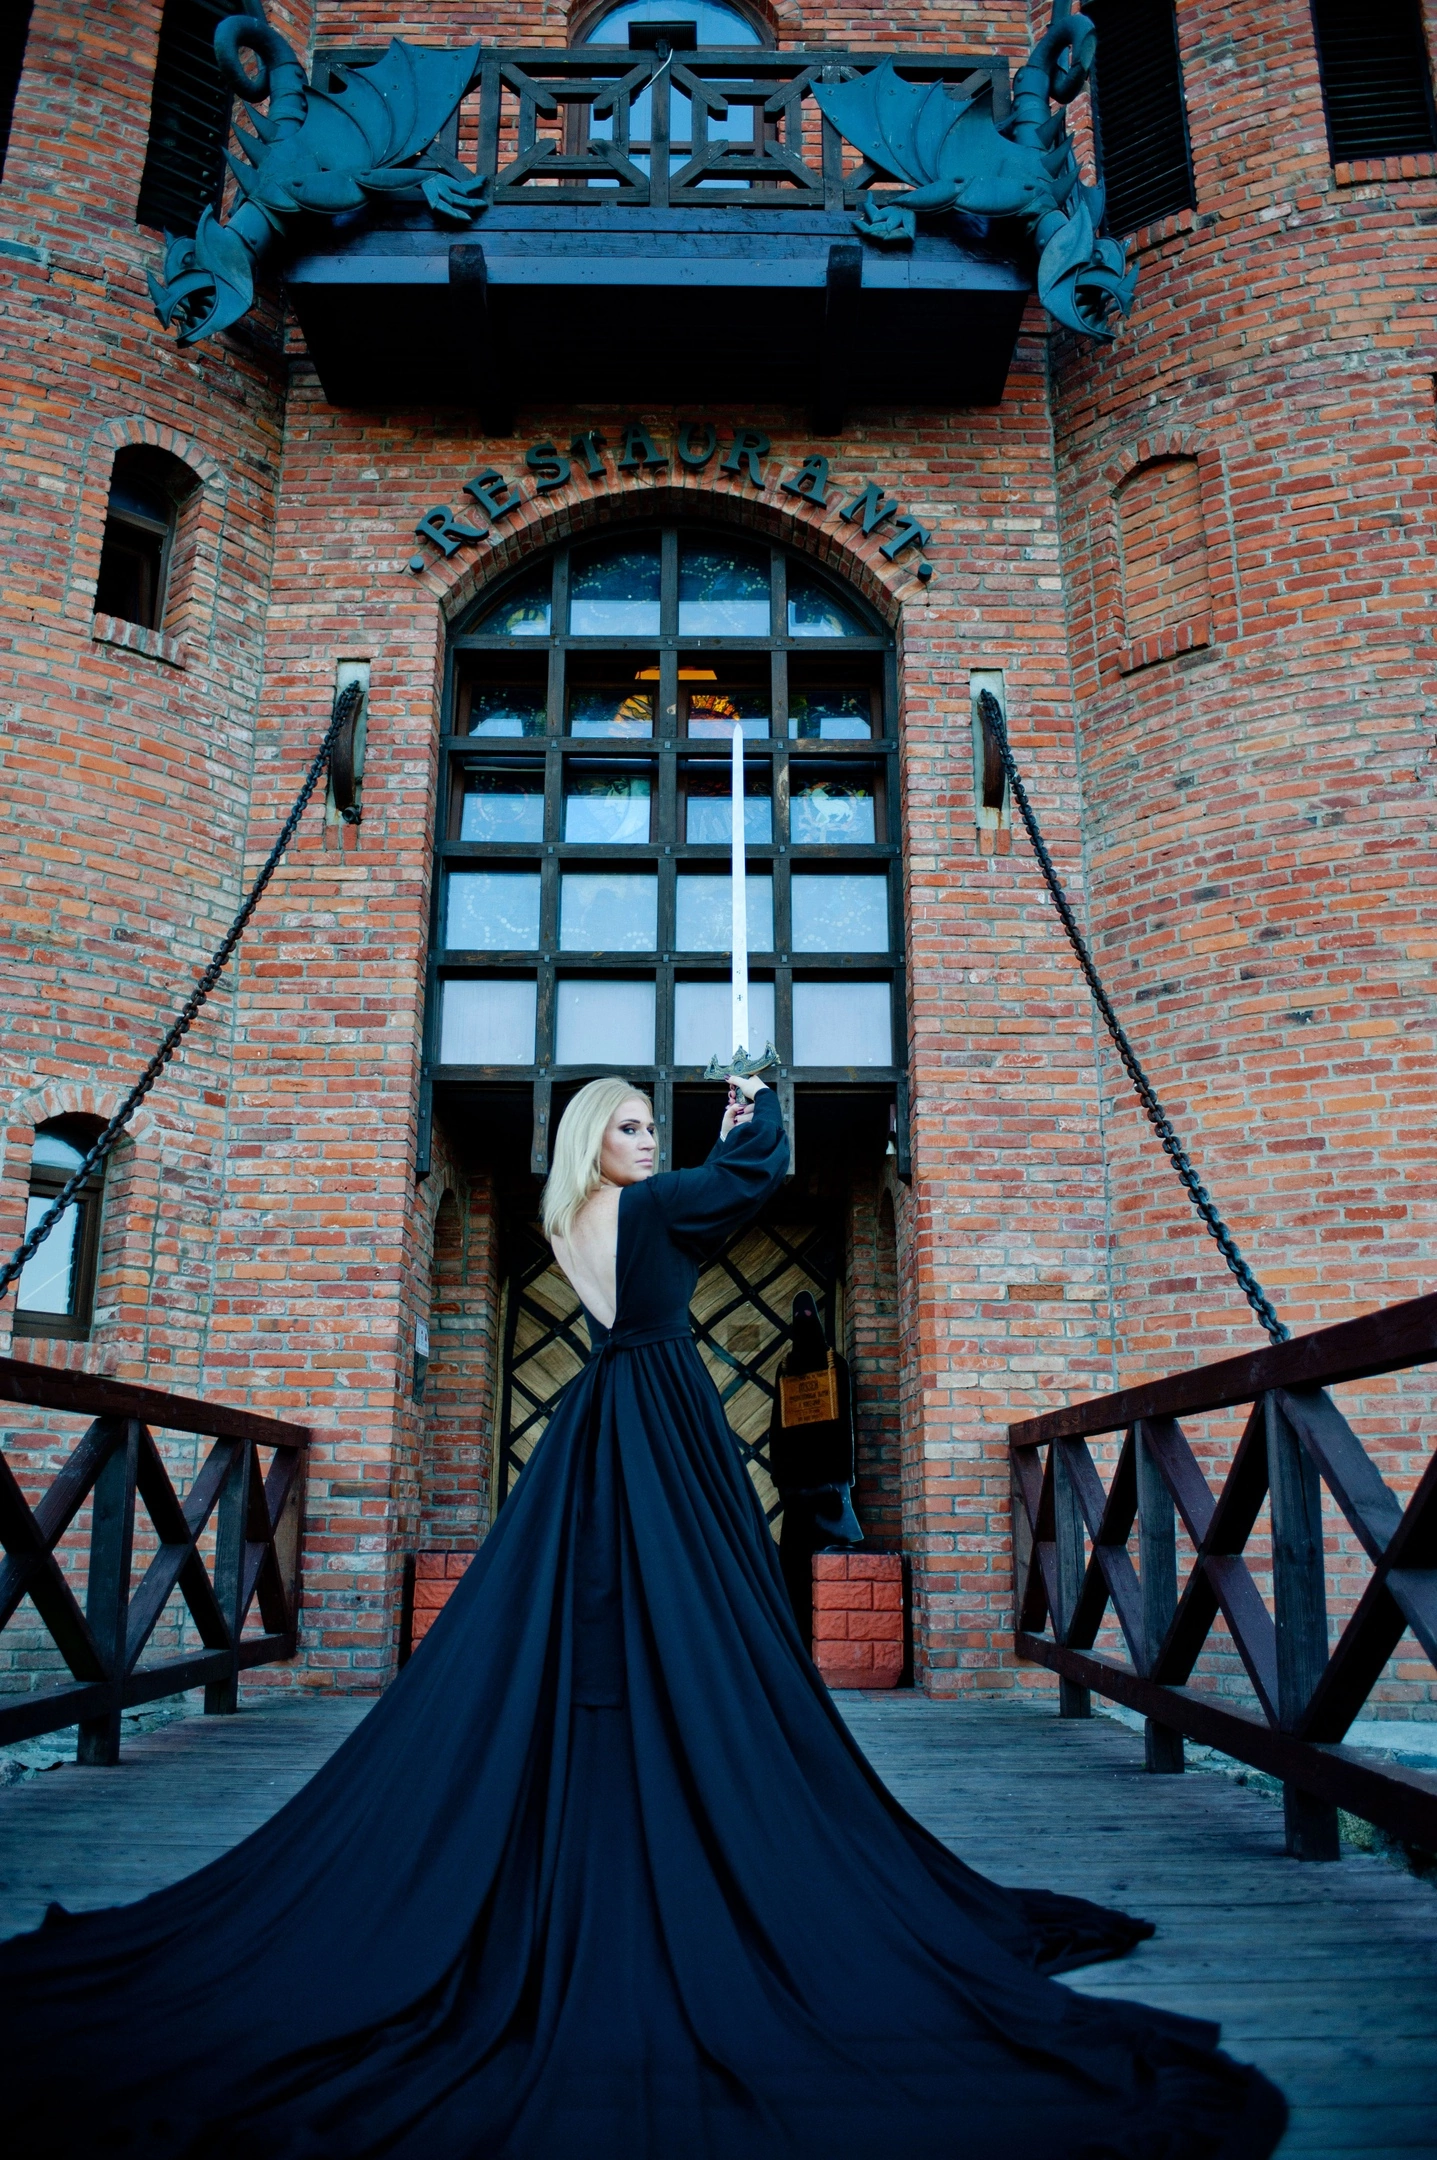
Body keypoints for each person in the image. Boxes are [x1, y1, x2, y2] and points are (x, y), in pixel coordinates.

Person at [0, 1075, 1286, 2159]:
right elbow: (751, 1179)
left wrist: (719, 1139)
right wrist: (755, 1105)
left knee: (600, 1601)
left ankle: (622, 1758)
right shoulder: (654, 1206)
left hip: (599, 1416)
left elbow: (703, 1203)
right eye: (627, 1126)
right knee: (693, 1600)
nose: (644, 1141)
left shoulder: (570, 1225)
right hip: (663, 1413)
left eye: (647, 1129)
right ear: (591, 1141)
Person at [769, 1288, 865, 1647]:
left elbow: (846, 1425)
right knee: (796, 1567)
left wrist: (843, 1477)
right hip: (799, 1487)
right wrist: (781, 1475)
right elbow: (777, 1426)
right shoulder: (786, 1368)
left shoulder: (833, 1364)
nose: (804, 1322)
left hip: (827, 1486)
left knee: (831, 1564)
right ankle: (798, 1637)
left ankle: (832, 1639)